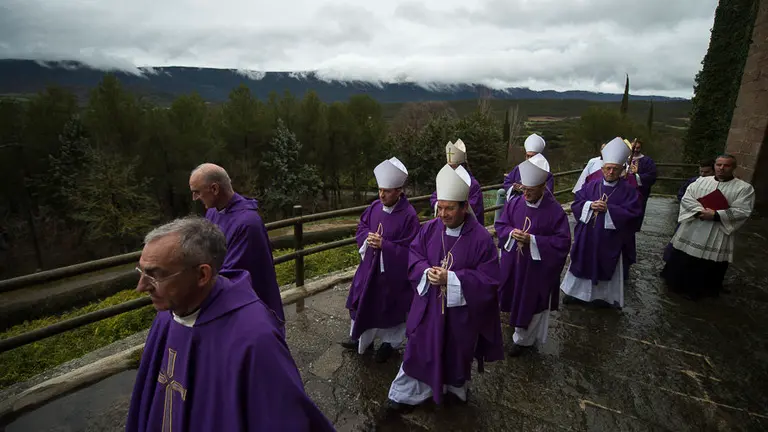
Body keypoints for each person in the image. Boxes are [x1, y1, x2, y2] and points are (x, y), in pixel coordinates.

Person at [126, 217, 335, 431]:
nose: (141, 287)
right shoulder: (167, 315)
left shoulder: (254, 338)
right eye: (141, 271)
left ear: (202, 274)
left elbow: (281, 419)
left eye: (155, 275)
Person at [385, 164, 503, 412]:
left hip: (459, 316)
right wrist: (426, 272)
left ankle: (452, 390)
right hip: (427, 310)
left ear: (464, 207)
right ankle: (405, 395)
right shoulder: (429, 229)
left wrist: (452, 279)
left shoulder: (481, 238)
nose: (443, 214)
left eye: (449, 208)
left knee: (455, 353)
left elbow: (490, 279)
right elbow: (414, 255)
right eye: (440, 207)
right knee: (418, 350)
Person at [343, 157, 420, 363]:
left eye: (386, 191)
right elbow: (362, 227)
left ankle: (389, 344)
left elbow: (413, 249)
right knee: (363, 302)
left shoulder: (409, 216)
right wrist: (367, 238)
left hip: (392, 275)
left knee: (389, 309)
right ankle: (359, 337)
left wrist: (385, 245)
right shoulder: (374, 207)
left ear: (399, 191)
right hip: (369, 268)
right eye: (379, 190)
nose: (381, 194)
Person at [189, 163, 284, 323]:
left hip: (248, 303)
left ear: (215, 189)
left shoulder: (247, 223)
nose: (195, 198)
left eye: (197, 192)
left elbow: (234, 273)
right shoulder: (212, 211)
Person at [496, 154, 571, 356]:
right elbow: (501, 225)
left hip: (536, 269)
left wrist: (534, 241)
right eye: (524, 188)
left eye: (530, 190)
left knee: (531, 301)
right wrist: (511, 233)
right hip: (515, 264)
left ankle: (523, 341)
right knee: (514, 297)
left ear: (543, 187)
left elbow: (562, 243)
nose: (525, 193)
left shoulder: (555, 211)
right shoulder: (515, 203)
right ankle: (517, 326)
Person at [560, 137, 643, 309]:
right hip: (588, 235)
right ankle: (576, 293)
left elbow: (634, 212)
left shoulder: (628, 190)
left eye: (615, 169)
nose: (611, 172)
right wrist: (589, 205)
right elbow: (577, 203)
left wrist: (610, 210)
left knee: (607, 265)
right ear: (602, 168)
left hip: (610, 239)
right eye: (608, 168)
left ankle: (605, 298)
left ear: (621, 170)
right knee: (582, 261)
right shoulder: (591, 186)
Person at [661, 154, 755, 300]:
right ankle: (677, 286)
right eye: (719, 165)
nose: (721, 168)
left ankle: (702, 292)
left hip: (717, 231)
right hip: (694, 226)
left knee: (708, 265)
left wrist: (716, 215)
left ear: (733, 167)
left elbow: (743, 210)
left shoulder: (744, 188)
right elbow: (687, 198)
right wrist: (700, 211)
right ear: (715, 166)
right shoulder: (701, 181)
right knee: (683, 259)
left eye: (726, 165)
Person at [663, 159, 715, 262]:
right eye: (701, 172)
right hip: (690, 215)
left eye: (707, 172)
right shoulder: (693, 181)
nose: (703, 174)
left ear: (713, 171)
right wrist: (694, 208)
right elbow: (681, 195)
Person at [429, 139, 485, 225]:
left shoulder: (473, 185)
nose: (451, 170)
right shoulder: (445, 181)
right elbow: (434, 196)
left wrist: (453, 207)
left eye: (454, 167)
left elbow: (474, 209)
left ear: (463, 167)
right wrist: (440, 206)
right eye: (449, 167)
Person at [503, 133, 555, 198]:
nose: (530, 159)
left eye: (533, 156)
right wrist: (513, 188)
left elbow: (547, 195)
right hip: (516, 202)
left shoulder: (546, 174)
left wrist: (526, 190)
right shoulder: (519, 168)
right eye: (528, 156)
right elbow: (507, 181)